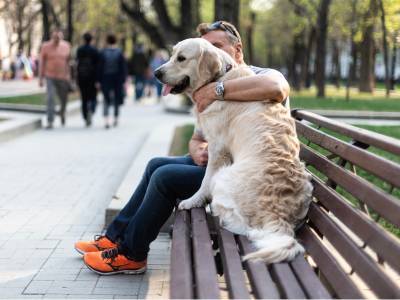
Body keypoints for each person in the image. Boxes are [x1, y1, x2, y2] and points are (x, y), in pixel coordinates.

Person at [75, 21, 290, 275]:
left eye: (216, 46)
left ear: (238, 49)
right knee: (156, 164)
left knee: (165, 178)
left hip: (249, 175)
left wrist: (217, 90)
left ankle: (131, 254)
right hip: (222, 164)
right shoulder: (207, 84)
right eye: (206, 48)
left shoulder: (260, 73)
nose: (210, 55)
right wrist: (198, 148)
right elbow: (198, 138)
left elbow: (277, 88)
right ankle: (114, 237)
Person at [39, 29, 71, 129]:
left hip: (63, 77)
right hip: (50, 76)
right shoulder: (45, 46)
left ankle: (62, 113)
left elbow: (68, 62)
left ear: (61, 38)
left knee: (64, 99)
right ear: (52, 37)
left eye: (59, 38)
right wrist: (40, 78)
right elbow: (41, 62)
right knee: (50, 98)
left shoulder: (66, 46)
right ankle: (50, 121)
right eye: (55, 38)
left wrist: (69, 75)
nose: (57, 40)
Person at [97, 34, 128, 129]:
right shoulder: (119, 52)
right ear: (115, 41)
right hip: (117, 79)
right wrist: (124, 80)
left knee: (106, 99)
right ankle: (115, 119)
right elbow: (123, 68)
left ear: (107, 41)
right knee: (116, 99)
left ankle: (106, 120)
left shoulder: (103, 52)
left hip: (105, 78)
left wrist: (98, 80)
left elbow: (99, 68)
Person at [76, 32, 99, 127]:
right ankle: (92, 110)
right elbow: (98, 65)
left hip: (82, 77)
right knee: (93, 96)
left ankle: (85, 116)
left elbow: (77, 63)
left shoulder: (80, 50)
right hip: (93, 77)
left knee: (84, 97)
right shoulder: (95, 50)